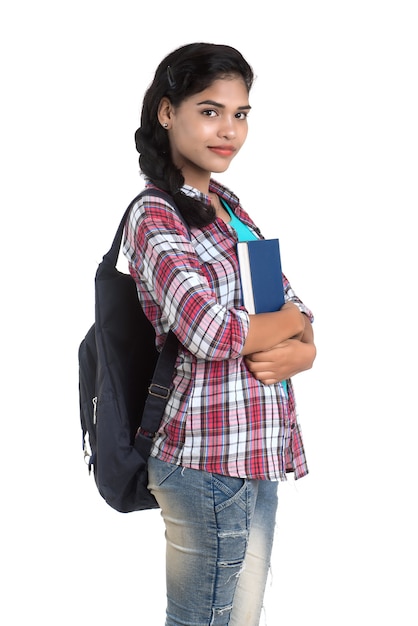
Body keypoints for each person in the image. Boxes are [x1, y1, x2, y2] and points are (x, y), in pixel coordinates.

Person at [123, 42, 316, 626]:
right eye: (210, 110)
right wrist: (291, 331)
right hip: (204, 459)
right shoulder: (155, 214)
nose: (228, 129)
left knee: (241, 620)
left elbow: (296, 305)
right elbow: (209, 330)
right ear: (166, 112)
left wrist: (301, 349)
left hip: (257, 452)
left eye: (241, 114)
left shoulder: (229, 207)